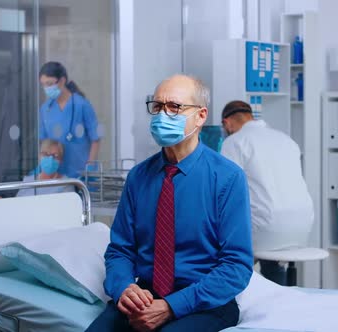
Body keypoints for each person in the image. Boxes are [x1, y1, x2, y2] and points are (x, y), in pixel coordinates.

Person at [86, 75, 253, 332]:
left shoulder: (227, 178)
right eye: (157, 106)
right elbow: (120, 250)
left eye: (174, 107)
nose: (163, 114)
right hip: (145, 295)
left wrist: (171, 306)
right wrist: (124, 289)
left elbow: (236, 266)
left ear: (200, 116)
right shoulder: (139, 177)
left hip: (205, 301)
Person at [220, 100, 314, 285]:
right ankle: (277, 298)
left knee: (220, 245)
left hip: (267, 230)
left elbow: (225, 190)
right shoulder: (286, 139)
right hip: (303, 227)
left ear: (227, 123)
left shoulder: (234, 142)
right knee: (269, 257)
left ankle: (234, 303)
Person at [38, 61, 100, 179]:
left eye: (49, 83)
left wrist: (90, 165)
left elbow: (95, 138)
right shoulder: (46, 109)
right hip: (56, 174)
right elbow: (43, 142)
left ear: (62, 81)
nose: (46, 88)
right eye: (43, 84)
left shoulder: (81, 105)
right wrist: (43, 165)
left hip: (81, 173)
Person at [0, 139, 70, 199]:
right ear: (39, 157)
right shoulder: (28, 181)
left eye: (55, 156)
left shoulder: (66, 184)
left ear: (61, 161)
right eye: (46, 154)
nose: (50, 159)